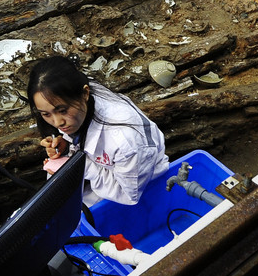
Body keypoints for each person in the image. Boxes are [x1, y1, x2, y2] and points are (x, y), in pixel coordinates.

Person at [28, 56, 169, 206]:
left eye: (62, 110)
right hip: (102, 172)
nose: (57, 122)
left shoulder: (125, 142)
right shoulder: (76, 92)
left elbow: (129, 195)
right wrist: (66, 145)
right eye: (46, 114)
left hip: (138, 189)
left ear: (85, 94)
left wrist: (80, 165)